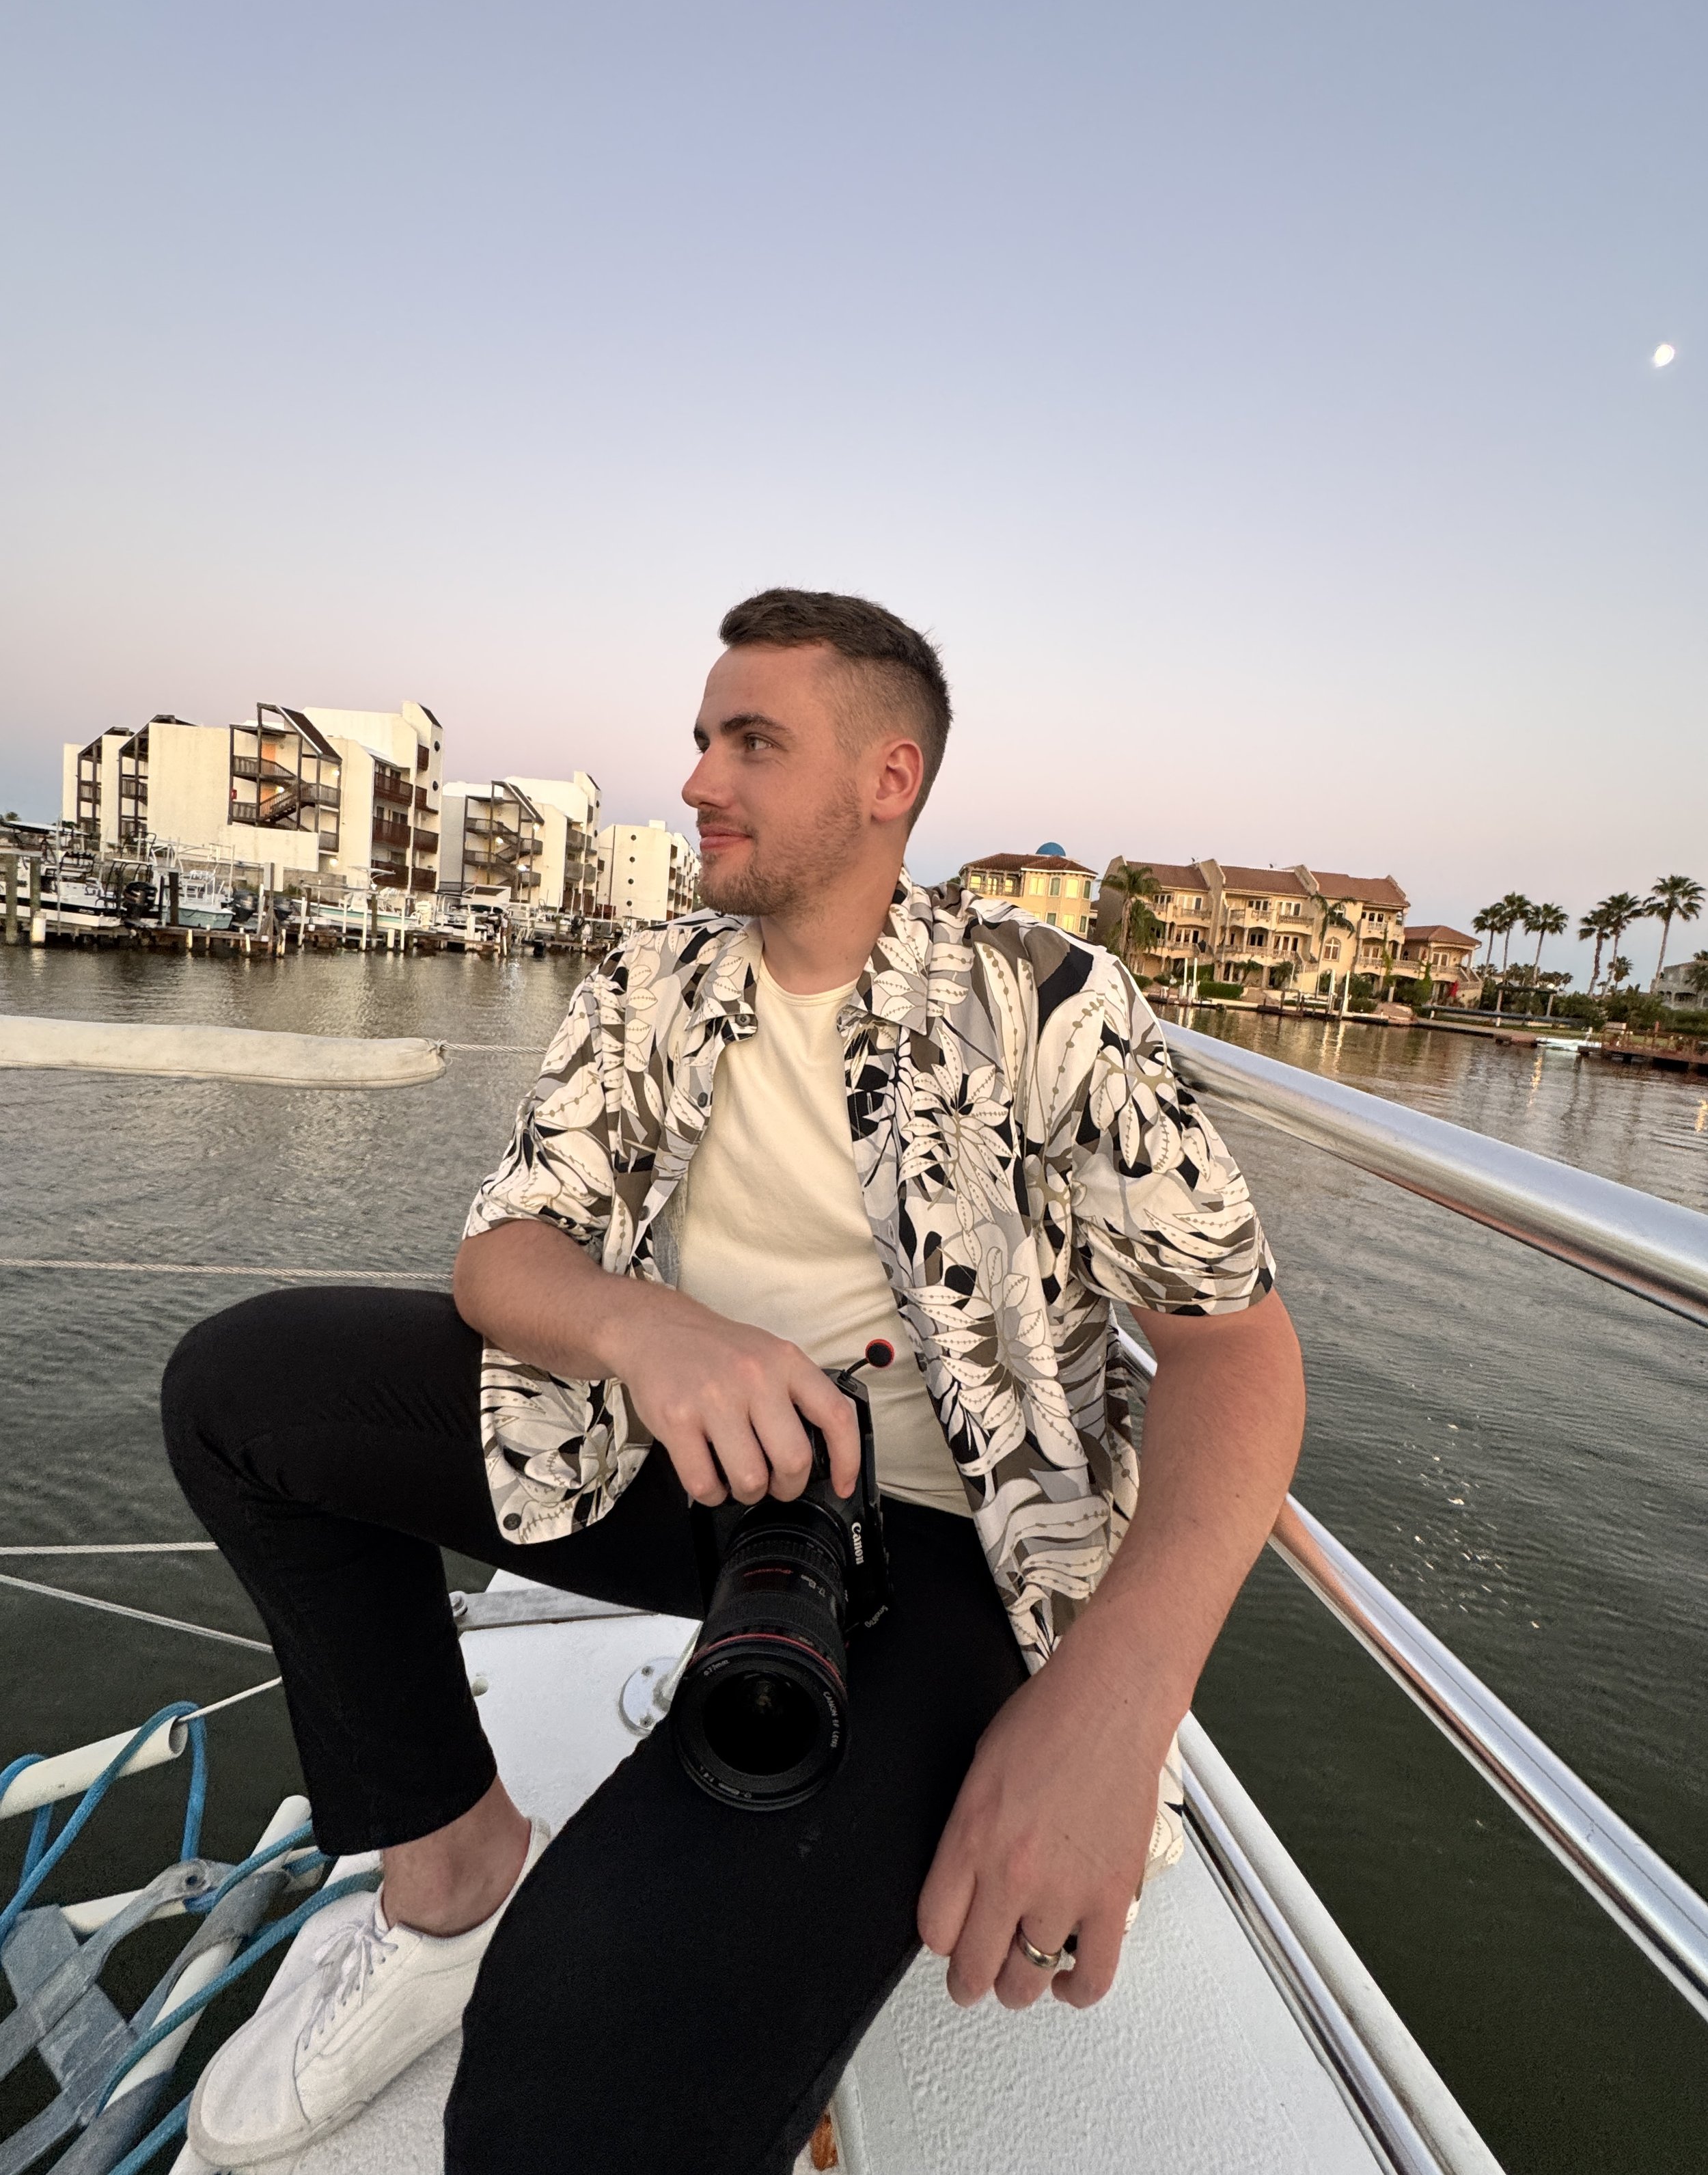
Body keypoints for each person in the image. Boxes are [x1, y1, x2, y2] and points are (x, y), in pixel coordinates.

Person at [163, 588, 1305, 2175]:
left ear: (886, 779)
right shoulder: (650, 979)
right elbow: (506, 1256)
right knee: (241, 1387)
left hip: (931, 1541)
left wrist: (1117, 1697)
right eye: (700, 738)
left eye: (750, 741)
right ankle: (446, 1872)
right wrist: (648, 1327)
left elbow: (1231, 1344)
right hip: (675, 1456)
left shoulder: (1042, 1001)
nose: (699, 777)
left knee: (566, 2082)